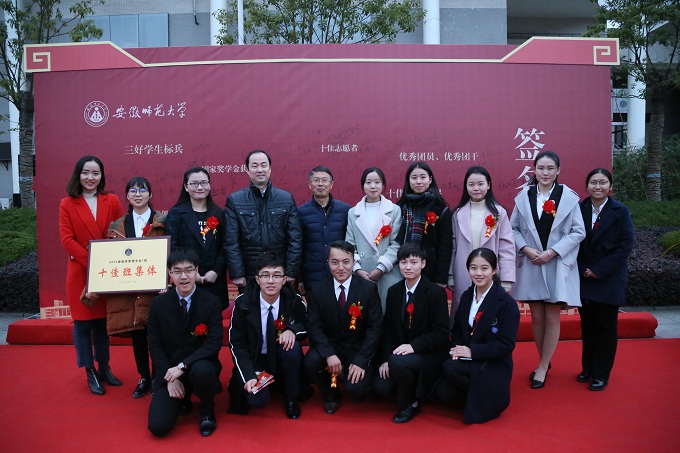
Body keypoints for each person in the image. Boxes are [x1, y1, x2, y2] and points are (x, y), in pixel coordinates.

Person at [510, 150, 585, 389]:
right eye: (541, 168)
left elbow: (578, 231)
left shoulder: (569, 198)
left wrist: (553, 252)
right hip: (532, 263)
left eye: (550, 168)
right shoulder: (524, 197)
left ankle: (542, 366)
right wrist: (526, 249)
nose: (545, 173)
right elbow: (513, 228)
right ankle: (545, 360)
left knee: (552, 316)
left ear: (558, 170)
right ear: (534, 169)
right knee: (537, 317)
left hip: (555, 263)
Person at [58, 155, 124, 395]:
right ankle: (89, 370)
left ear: (101, 176)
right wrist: (94, 260)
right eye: (86, 172)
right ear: (78, 175)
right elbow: (67, 240)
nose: (90, 177)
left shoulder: (111, 200)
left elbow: (119, 232)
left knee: (102, 323)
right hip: (80, 272)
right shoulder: (67, 203)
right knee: (83, 324)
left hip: (106, 270)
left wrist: (104, 260)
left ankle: (104, 366)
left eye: (96, 173)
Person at [433, 248, 520, 424]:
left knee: (450, 368)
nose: (478, 273)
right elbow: (458, 329)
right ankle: (473, 395)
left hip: (491, 362)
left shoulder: (507, 304)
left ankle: (488, 397)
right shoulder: (466, 296)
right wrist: (457, 349)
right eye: (473, 268)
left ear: (494, 270)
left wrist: (473, 351)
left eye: (484, 268)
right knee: (442, 393)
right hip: (467, 358)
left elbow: (506, 345)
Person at [147, 248, 223, 437]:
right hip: (170, 371)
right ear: (170, 274)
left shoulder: (211, 302)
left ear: (196, 271)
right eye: (177, 271)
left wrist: (183, 366)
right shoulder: (158, 305)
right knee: (158, 427)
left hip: (199, 366)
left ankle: (206, 410)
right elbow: (155, 346)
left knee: (203, 371)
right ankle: (183, 399)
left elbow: (213, 344)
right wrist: (169, 378)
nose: (183, 277)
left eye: (189, 270)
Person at [372, 243, 450, 423]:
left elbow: (441, 333)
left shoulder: (436, 293)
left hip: (428, 353)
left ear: (423, 263)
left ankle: (410, 404)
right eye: (403, 262)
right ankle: (409, 384)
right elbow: (388, 329)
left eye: (413, 262)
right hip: (400, 355)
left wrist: (413, 346)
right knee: (380, 388)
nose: (408, 267)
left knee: (398, 362)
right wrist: (385, 359)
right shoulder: (394, 291)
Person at [304, 240, 383, 414]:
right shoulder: (318, 289)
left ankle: (349, 377)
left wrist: (361, 360)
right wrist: (329, 354)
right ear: (328, 263)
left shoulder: (368, 289)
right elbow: (314, 325)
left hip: (357, 347)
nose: (340, 267)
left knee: (356, 389)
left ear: (354, 262)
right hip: (332, 345)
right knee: (311, 360)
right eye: (335, 262)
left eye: (346, 262)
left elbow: (375, 327)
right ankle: (331, 396)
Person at [228, 252, 308, 419]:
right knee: (256, 400)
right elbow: (237, 344)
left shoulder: (293, 300)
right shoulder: (243, 304)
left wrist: (292, 330)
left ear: (284, 280)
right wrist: (248, 376)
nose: (271, 281)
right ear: (257, 279)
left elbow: (307, 325)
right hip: (255, 358)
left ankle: (291, 397)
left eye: (276, 275)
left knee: (292, 348)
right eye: (265, 275)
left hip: (281, 357)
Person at [106, 176, 166, 398]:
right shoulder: (117, 226)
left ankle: (159, 377)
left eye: (142, 190)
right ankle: (144, 377)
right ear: (127, 196)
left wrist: (167, 281)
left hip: (158, 290)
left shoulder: (163, 221)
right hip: (132, 291)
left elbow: (171, 253)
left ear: (150, 194)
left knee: (158, 336)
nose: (138, 194)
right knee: (138, 336)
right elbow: (110, 258)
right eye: (133, 190)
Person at [577, 168, 635, 391]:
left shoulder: (621, 211)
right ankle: (587, 368)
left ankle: (601, 374)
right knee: (588, 327)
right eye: (593, 182)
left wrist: (598, 270)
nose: (598, 186)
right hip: (584, 277)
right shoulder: (579, 208)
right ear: (587, 186)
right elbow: (571, 240)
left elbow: (625, 245)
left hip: (608, 279)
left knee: (606, 328)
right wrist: (583, 269)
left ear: (610, 187)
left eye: (602, 182)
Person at [225, 150, 303, 290]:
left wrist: (291, 271)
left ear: (270, 169)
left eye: (263, 165)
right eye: (254, 166)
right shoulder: (235, 200)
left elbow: (295, 238)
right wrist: (237, 273)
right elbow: (231, 241)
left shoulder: (286, 198)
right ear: (247, 170)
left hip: (280, 272)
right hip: (249, 273)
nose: (260, 170)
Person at [448, 166, 515, 324]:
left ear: (489, 185)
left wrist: (506, 279)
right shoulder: (458, 214)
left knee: (490, 315)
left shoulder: (499, 213)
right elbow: (452, 247)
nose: (476, 188)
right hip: (464, 272)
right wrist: (450, 275)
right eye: (471, 184)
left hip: (490, 272)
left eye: (480, 184)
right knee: (463, 312)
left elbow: (506, 247)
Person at [166, 167, 228, 310]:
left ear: (209, 185)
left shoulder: (219, 213)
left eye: (204, 183)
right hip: (186, 280)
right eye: (194, 184)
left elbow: (226, 246)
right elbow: (173, 247)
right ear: (186, 187)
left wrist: (216, 271)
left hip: (214, 281)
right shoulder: (176, 213)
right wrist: (192, 273)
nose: (200, 187)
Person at [345, 167, 403, 310]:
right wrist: (357, 269)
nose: (372, 186)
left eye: (377, 182)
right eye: (368, 182)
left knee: (387, 312)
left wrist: (381, 268)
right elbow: (349, 245)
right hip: (362, 273)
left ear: (383, 185)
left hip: (387, 273)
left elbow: (396, 243)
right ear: (363, 185)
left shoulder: (394, 210)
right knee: (364, 313)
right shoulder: (353, 212)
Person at [396, 162, 452, 288]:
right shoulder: (400, 207)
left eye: (423, 177)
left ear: (430, 179)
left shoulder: (440, 209)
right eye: (414, 178)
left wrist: (441, 279)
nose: (418, 181)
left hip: (430, 272)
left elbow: (445, 248)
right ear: (408, 180)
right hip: (401, 270)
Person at [297, 166, 351, 297]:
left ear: (331, 184)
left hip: (340, 275)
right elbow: (298, 246)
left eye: (324, 180)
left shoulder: (345, 210)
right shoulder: (300, 212)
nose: (320, 184)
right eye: (316, 180)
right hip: (312, 276)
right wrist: (299, 278)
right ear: (310, 185)